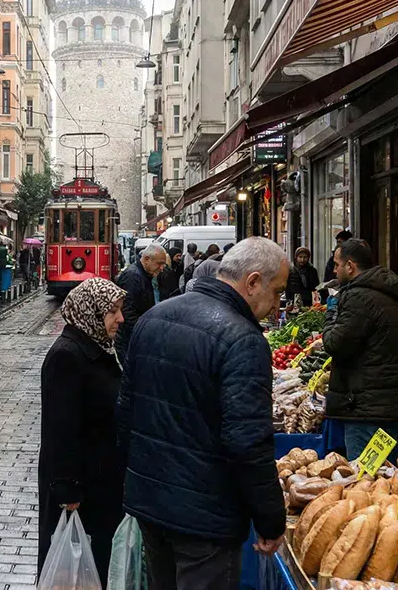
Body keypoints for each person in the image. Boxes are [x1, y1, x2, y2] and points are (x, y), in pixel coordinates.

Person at [116, 238, 290, 589]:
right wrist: (270, 519)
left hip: (151, 503)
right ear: (253, 282)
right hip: (206, 519)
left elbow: (126, 412)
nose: (276, 307)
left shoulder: (154, 317)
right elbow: (248, 442)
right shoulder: (243, 339)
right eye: (277, 292)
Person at [38, 278, 128, 583]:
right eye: (113, 311)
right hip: (83, 489)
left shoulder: (99, 348)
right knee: (76, 572)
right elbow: (59, 429)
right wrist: (67, 490)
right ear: (91, 313)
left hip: (101, 481)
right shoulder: (67, 355)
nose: (121, 318)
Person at [323, 238, 398, 458]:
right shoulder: (394, 293)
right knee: (390, 480)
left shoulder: (359, 297)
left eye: (337, 264)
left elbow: (334, 344)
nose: (334, 270)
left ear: (350, 266)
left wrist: (330, 314)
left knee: (366, 482)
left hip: (366, 409)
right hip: (393, 404)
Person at [114, 243, 167, 361]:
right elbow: (127, 313)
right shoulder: (133, 277)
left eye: (163, 264)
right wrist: (147, 331)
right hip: (129, 340)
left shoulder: (144, 274)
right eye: (159, 264)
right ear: (147, 259)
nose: (162, 268)